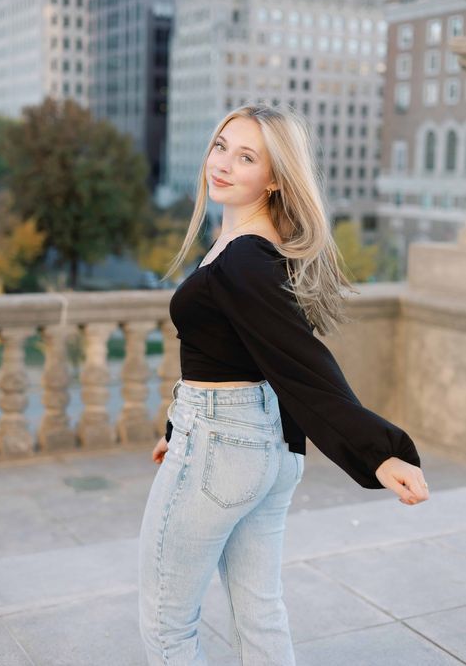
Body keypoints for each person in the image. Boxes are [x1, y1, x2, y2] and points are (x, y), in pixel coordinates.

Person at [138, 103, 429, 666]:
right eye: (221, 145)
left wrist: (380, 454)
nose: (221, 163)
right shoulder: (257, 248)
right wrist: (178, 426)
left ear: (273, 179)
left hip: (222, 447)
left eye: (246, 157)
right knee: (260, 613)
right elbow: (240, 352)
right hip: (259, 446)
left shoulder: (244, 259)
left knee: (167, 624)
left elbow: (300, 361)